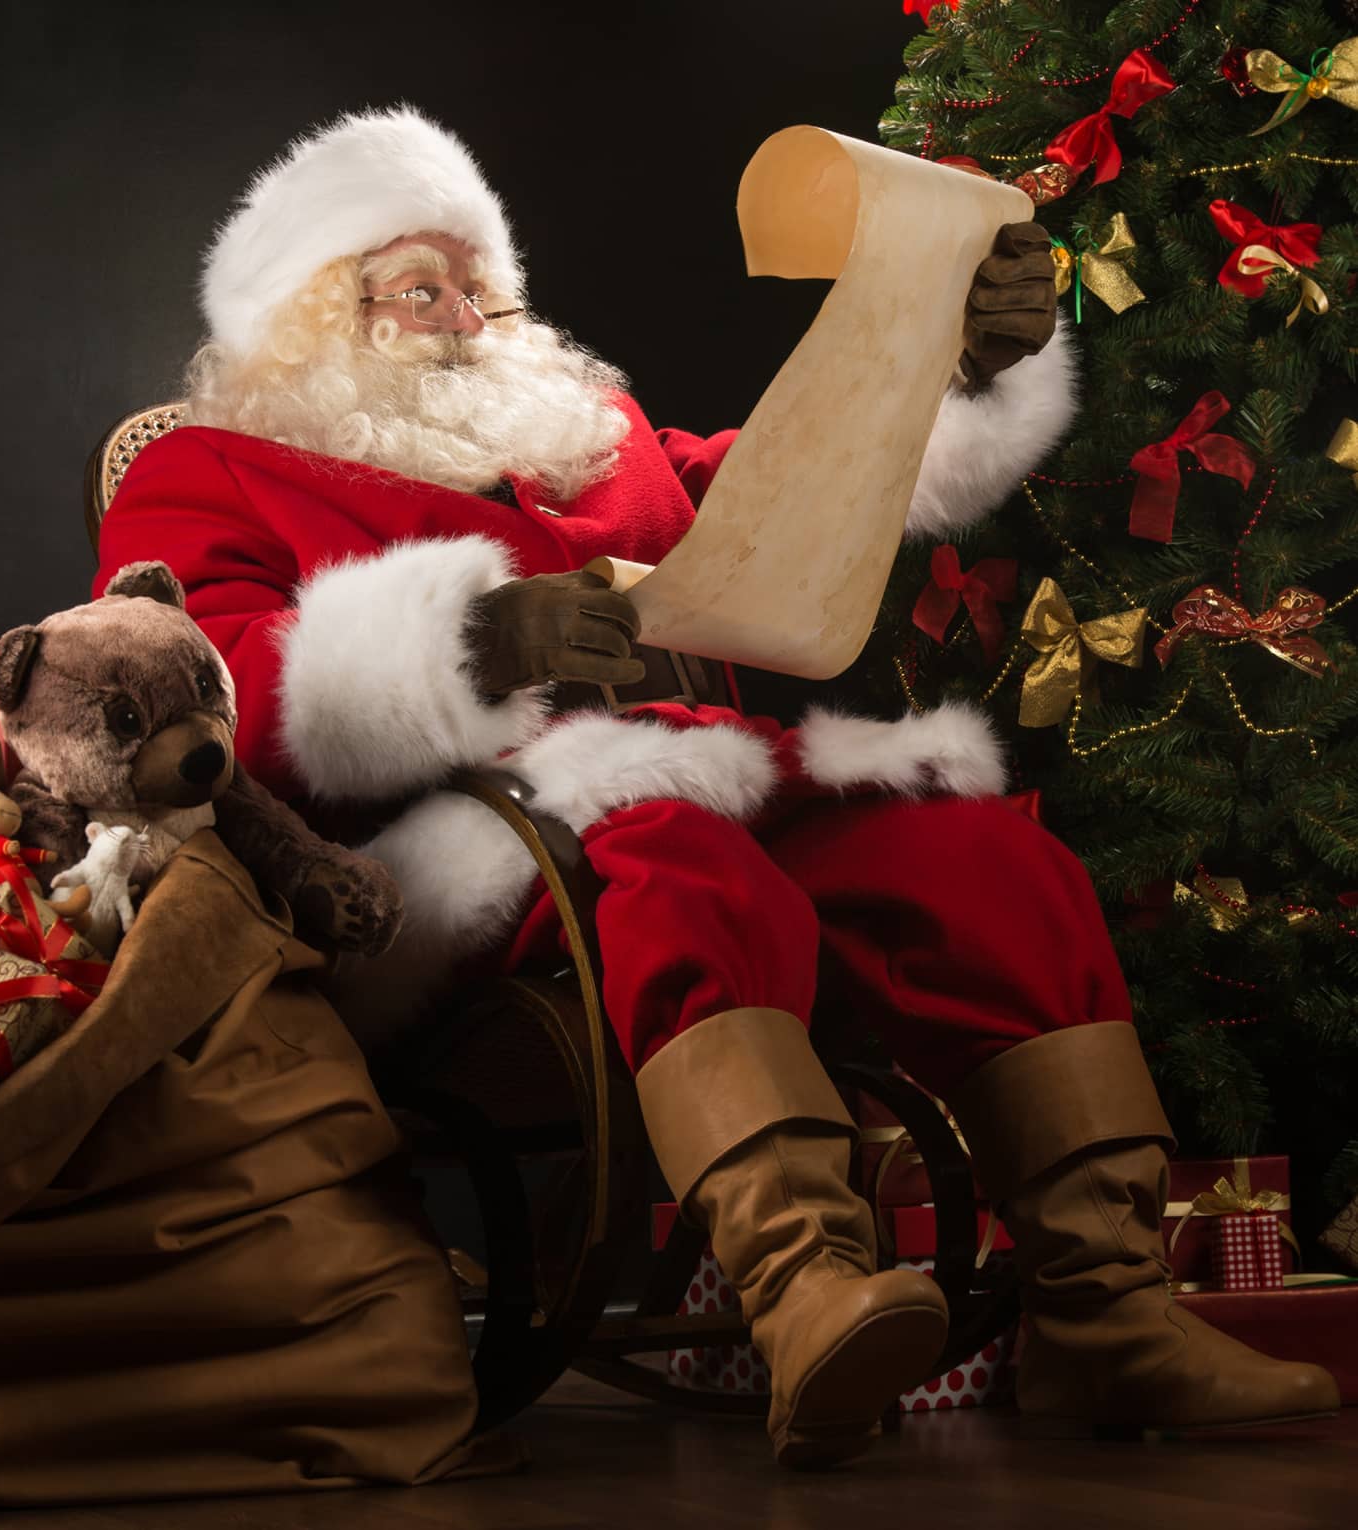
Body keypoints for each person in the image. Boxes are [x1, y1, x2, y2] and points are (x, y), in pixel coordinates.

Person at [95, 107, 1338, 1468]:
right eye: (416, 289)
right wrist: (468, 641)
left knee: (969, 849)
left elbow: (788, 492)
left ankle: (1104, 1308)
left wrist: (954, 366)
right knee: (668, 844)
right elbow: (189, 688)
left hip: (710, 793)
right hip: (455, 859)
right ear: (311, 319)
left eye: (480, 289)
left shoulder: (596, 443)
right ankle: (803, 1284)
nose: (465, 317)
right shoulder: (205, 468)